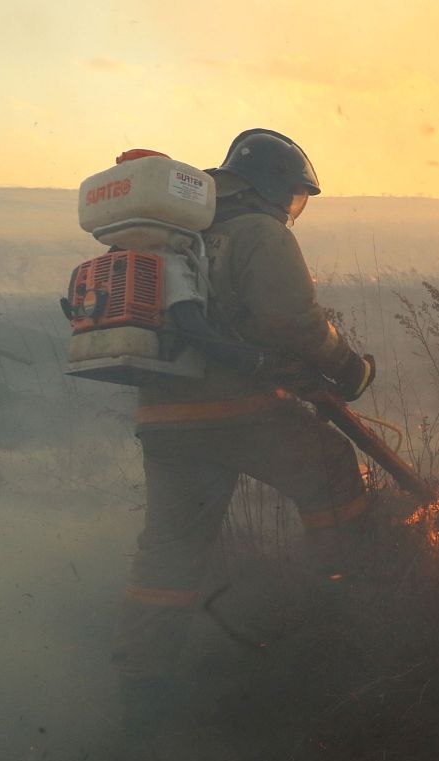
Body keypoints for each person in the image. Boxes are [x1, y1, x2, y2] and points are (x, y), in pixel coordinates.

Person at [112, 129, 379, 729]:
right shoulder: (259, 232)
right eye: (293, 195)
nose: (293, 208)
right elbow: (294, 321)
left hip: (164, 418)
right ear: (272, 188)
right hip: (236, 408)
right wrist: (348, 369)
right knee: (332, 472)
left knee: (169, 553)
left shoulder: (179, 234)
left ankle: (142, 688)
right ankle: (352, 604)